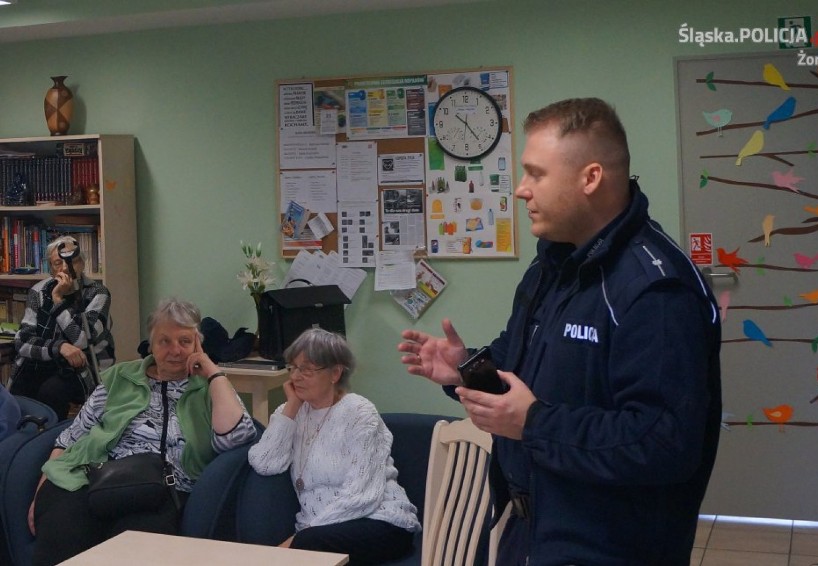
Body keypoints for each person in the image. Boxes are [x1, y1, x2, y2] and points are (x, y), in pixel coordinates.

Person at [398, 98, 722, 565]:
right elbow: (519, 362)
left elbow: (663, 443)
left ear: (590, 178)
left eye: (535, 174)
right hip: (530, 531)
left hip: (611, 547)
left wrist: (533, 423)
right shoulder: (553, 264)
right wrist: (465, 369)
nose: (520, 190)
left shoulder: (656, 290)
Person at [28, 298, 258, 566]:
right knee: (61, 534)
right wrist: (41, 489)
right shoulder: (120, 377)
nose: (175, 350)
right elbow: (71, 437)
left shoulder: (208, 388)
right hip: (90, 477)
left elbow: (237, 437)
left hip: (162, 489)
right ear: (151, 343)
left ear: (198, 343)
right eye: (164, 341)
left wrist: (212, 372)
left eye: (185, 341)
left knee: (138, 550)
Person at [249, 328, 420, 566]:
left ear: (335, 373)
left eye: (306, 369)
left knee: (309, 547)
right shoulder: (292, 412)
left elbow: (362, 496)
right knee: (310, 546)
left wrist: (300, 537)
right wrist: (291, 407)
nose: (296, 376)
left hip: (381, 521)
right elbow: (264, 463)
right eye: (293, 367)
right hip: (319, 530)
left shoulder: (360, 412)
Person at [10, 235, 114, 420]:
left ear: (82, 263)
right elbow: (22, 341)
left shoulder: (98, 293)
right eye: (58, 263)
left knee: (51, 392)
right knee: (19, 393)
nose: (66, 268)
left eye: (72, 261)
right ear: (51, 268)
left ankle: (54, 440)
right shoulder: (38, 292)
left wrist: (58, 300)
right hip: (43, 360)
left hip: (83, 366)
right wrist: (60, 348)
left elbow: (81, 339)